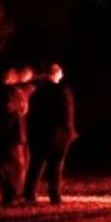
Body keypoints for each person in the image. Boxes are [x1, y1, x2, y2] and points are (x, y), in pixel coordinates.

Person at [23, 63, 76, 204]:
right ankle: (54, 194)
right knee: (55, 165)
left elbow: (31, 114)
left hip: (38, 133)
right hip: (57, 133)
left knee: (36, 164)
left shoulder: (36, 92)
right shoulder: (62, 91)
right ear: (56, 73)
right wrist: (69, 130)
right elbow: (67, 113)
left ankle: (29, 193)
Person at [0, 67, 31, 205]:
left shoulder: (14, 90)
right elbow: (9, 108)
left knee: (19, 164)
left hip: (16, 134)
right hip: (11, 134)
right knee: (15, 165)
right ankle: (11, 195)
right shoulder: (7, 92)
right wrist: (20, 108)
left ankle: (15, 194)